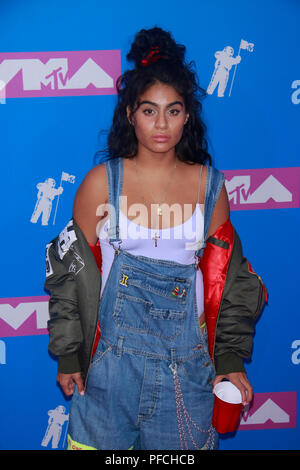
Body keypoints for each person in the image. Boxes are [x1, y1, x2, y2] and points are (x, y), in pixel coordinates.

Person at [44, 27, 267, 450]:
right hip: (107, 371)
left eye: (174, 110)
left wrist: (230, 359)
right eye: (149, 110)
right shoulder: (99, 183)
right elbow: (68, 276)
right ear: (130, 113)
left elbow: (232, 280)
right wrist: (69, 354)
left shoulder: (210, 188)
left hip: (187, 376)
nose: (161, 123)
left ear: (188, 116)